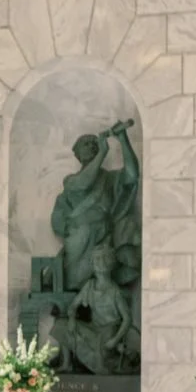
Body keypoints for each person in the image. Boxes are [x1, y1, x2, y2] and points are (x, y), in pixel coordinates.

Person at [50, 119, 140, 293]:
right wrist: (103, 153)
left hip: (105, 236)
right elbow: (84, 183)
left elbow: (132, 175)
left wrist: (123, 138)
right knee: (85, 232)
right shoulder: (70, 181)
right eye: (86, 143)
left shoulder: (109, 178)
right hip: (80, 237)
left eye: (94, 143)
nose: (91, 145)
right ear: (77, 153)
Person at [53, 245, 139, 376]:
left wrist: (115, 340)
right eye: (97, 259)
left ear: (111, 263)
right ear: (92, 264)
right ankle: (67, 364)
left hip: (108, 333)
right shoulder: (89, 286)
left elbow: (127, 319)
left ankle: (115, 359)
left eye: (105, 258)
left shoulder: (115, 291)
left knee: (101, 359)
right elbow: (72, 306)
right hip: (92, 329)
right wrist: (71, 318)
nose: (101, 262)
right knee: (61, 325)